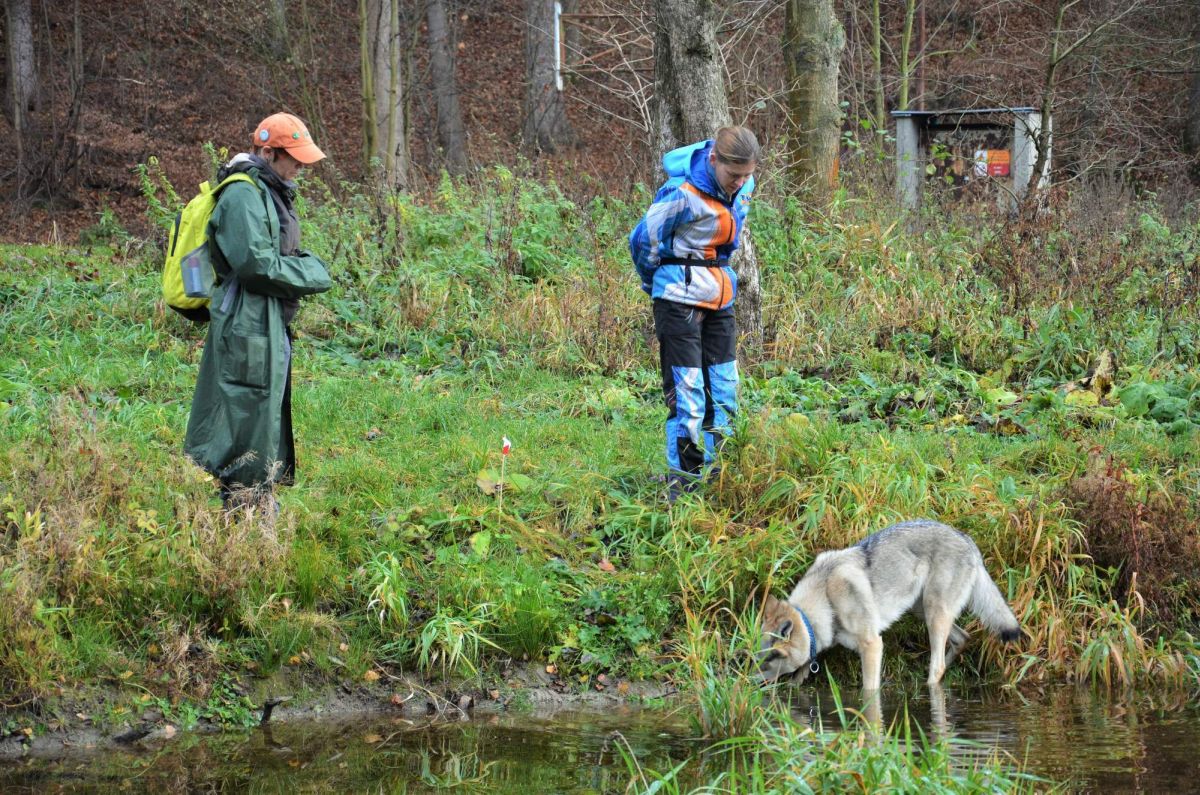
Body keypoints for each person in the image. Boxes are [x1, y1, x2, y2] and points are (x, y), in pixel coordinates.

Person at [184, 112, 332, 520]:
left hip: (264, 321)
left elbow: (274, 254)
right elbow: (257, 264)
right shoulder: (244, 195)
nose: (301, 167)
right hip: (247, 324)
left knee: (262, 410)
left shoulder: (270, 189)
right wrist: (313, 272)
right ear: (268, 152)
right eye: (294, 158)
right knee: (247, 414)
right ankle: (245, 510)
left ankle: (257, 501)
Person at [629, 126, 759, 501]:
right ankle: (683, 487)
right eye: (733, 175)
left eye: (746, 176)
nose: (739, 184)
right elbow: (642, 241)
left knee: (725, 389)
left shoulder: (745, 188)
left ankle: (723, 478)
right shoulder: (681, 193)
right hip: (676, 299)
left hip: (721, 297)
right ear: (714, 160)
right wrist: (659, 282)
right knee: (687, 395)